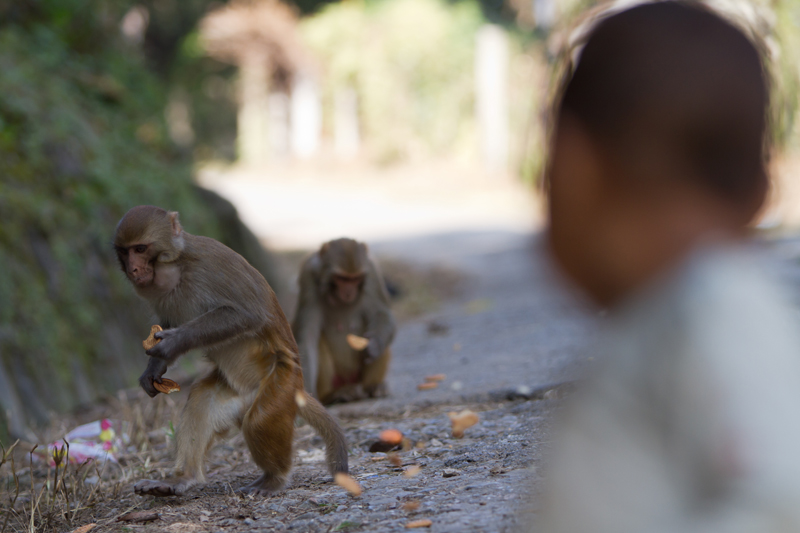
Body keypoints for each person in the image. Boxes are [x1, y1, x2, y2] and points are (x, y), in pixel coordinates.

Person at [538, 2, 800, 532]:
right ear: (760, 193)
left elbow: (783, 501)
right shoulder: (672, 318)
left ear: (573, 168)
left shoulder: (717, 313)